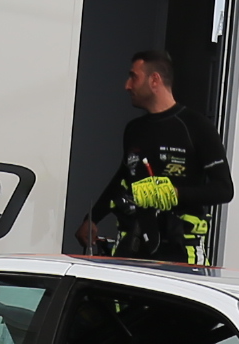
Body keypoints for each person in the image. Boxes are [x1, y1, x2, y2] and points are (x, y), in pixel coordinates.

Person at [82, 49, 229, 264]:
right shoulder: (134, 129)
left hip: (180, 249)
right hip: (133, 245)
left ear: (154, 80)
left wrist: (174, 193)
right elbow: (123, 177)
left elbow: (224, 189)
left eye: (133, 77)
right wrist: (92, 218)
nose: (127, 85)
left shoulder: (196, 126)